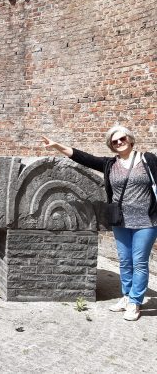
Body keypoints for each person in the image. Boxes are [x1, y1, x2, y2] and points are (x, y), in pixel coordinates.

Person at [42, 127, 157, 321]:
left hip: (146, 221)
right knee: (125, 261)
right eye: (114, 141)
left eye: (122, 138)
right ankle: (127, 296)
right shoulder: (110, 164)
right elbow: (83, 157)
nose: (119, 143)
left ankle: (135, 302)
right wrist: (57, 146)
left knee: (139, 262)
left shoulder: (148, 159)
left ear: (130, 139)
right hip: (120, 220)